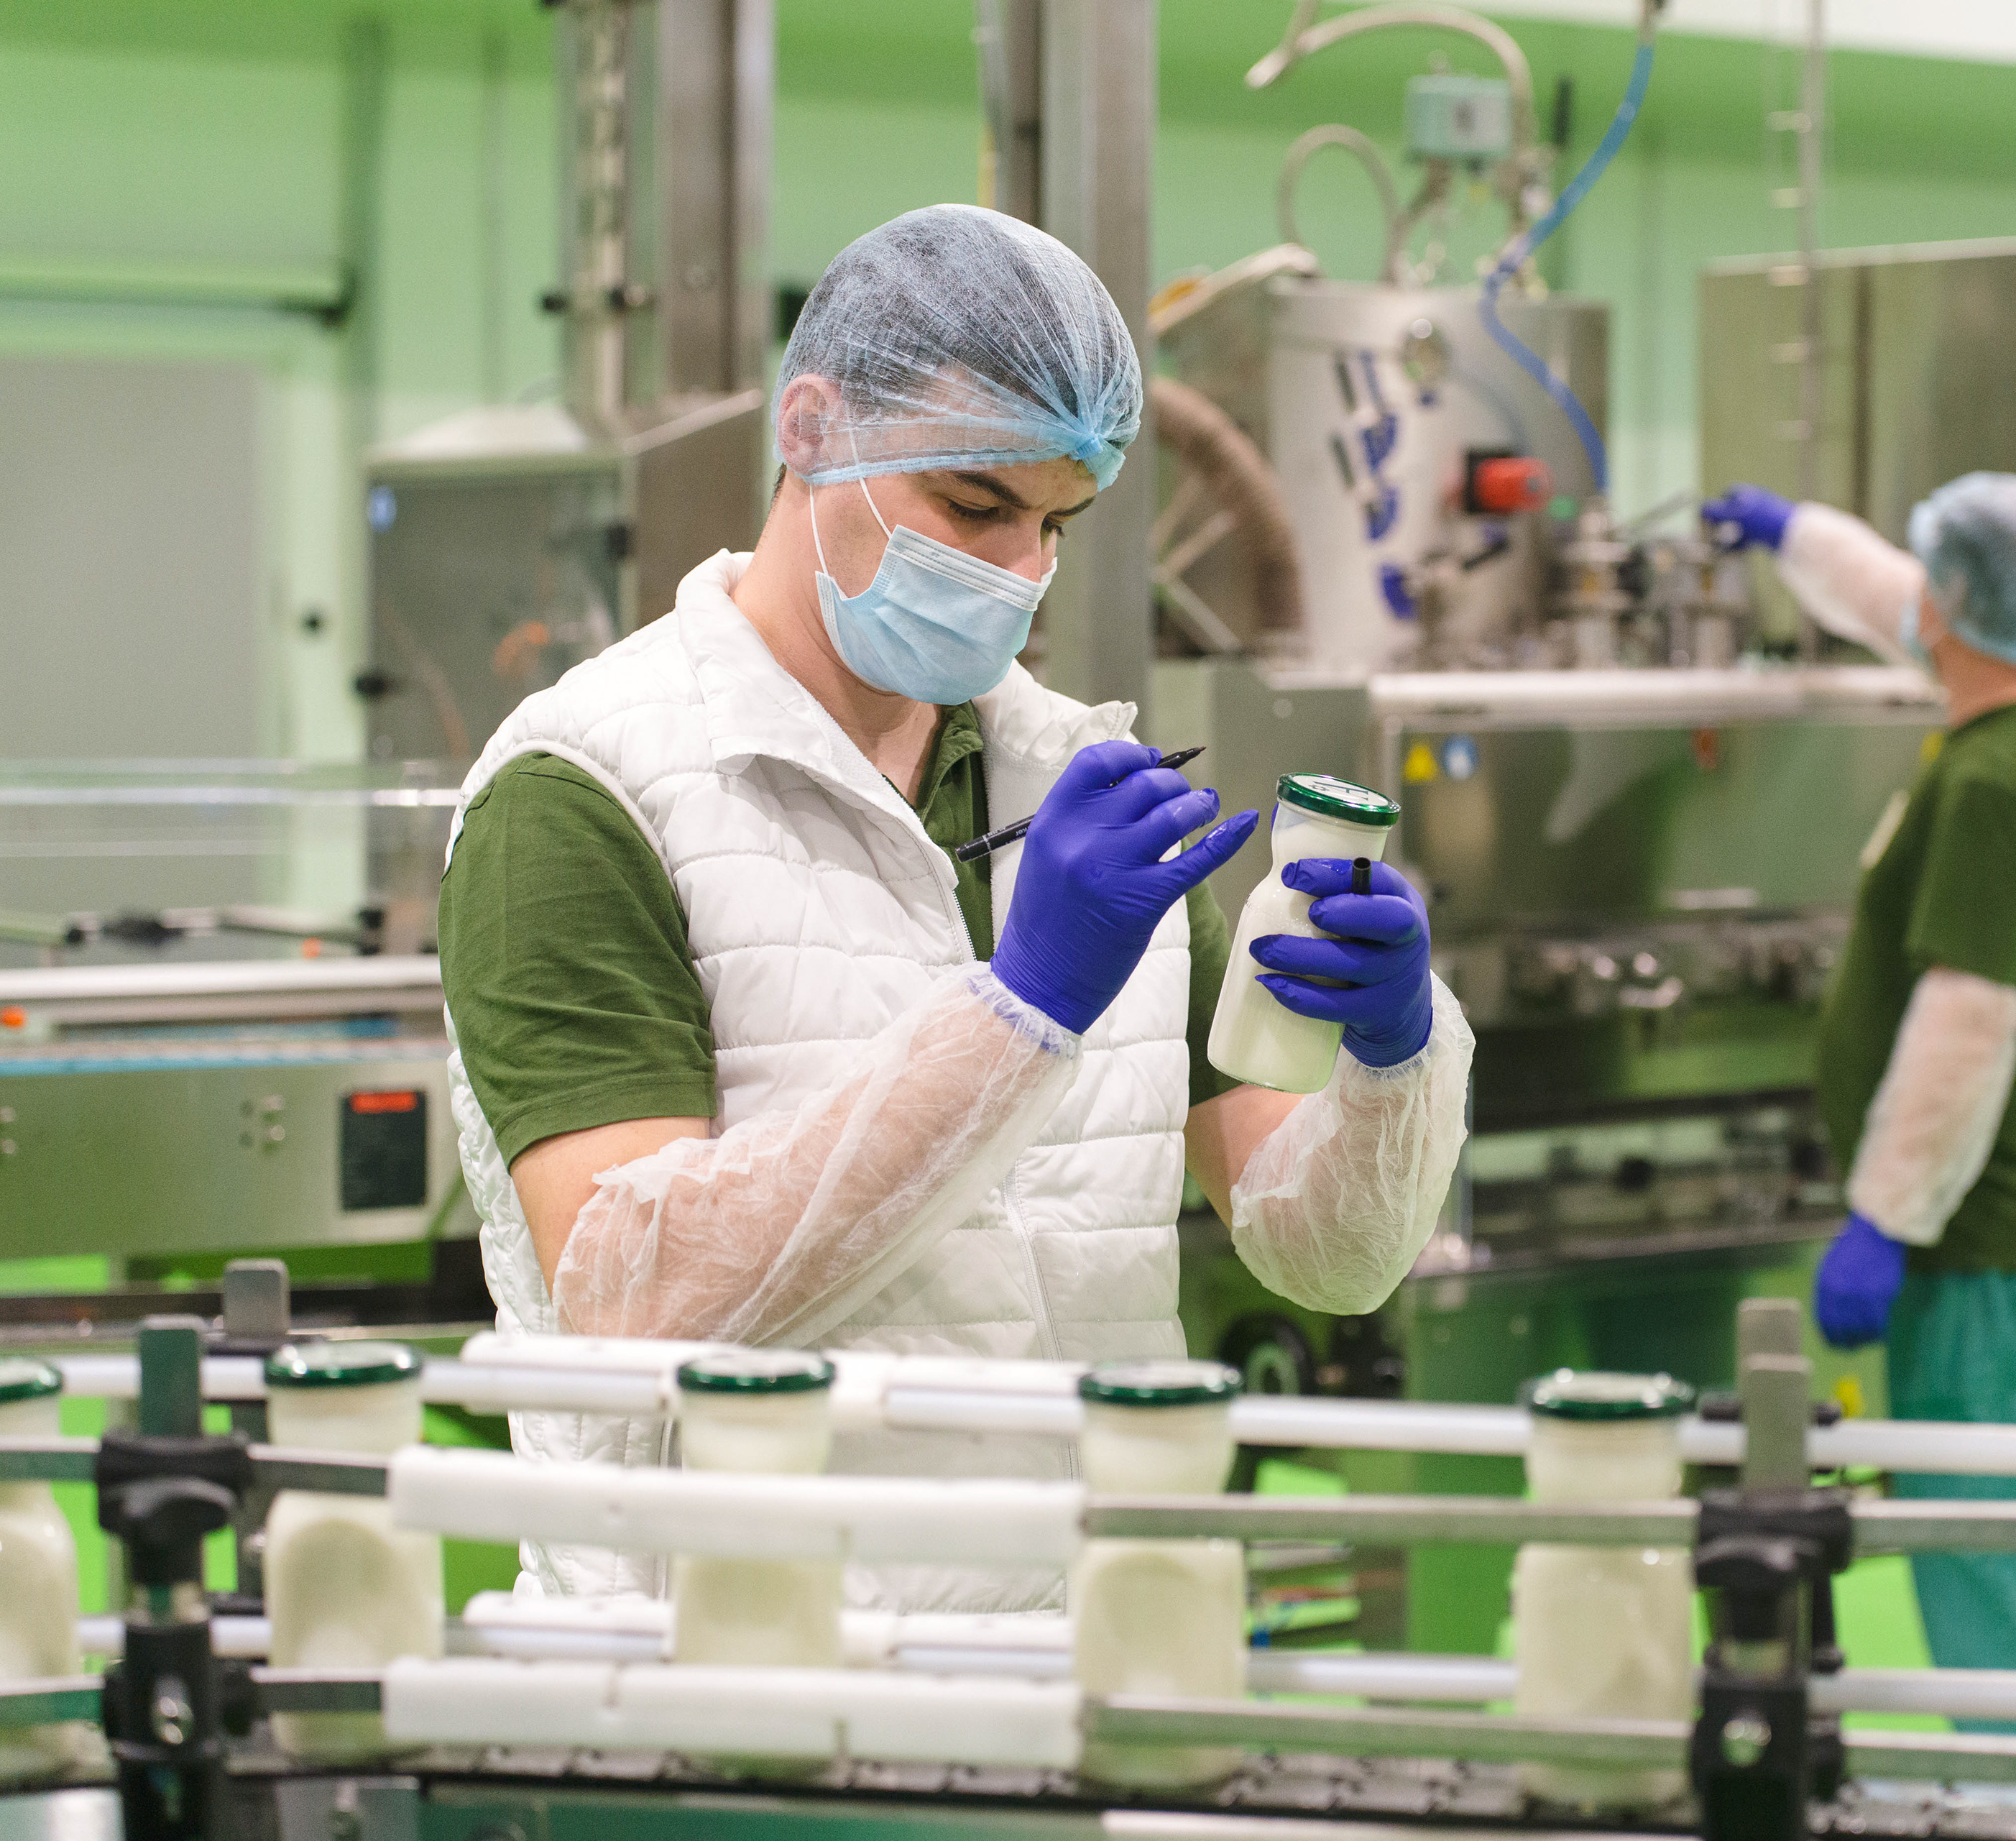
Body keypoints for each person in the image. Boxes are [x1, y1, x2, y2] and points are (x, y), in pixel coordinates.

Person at [438, 204, 1473, 1610]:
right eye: (976, 508)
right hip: (750, 1661)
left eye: (1054, 524)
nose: (1018, 570)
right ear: (812, 429)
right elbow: (635, 1300)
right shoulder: (586, 793)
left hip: (1096, 1636)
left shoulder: (1082, 786)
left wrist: (1393, 1061)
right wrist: (1019, 1010)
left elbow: (1321, 1255)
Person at [1705, 475, 2016, 1692]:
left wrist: (1885, 1220)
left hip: (1992, 1255)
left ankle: (2014, 1779)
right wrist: (1793, 533)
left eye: (1936, 594)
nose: (1917, 613)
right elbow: (1903, 603)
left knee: (1993, 1570)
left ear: (1959, 613)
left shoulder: (1994, 784)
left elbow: (1966, 1029)